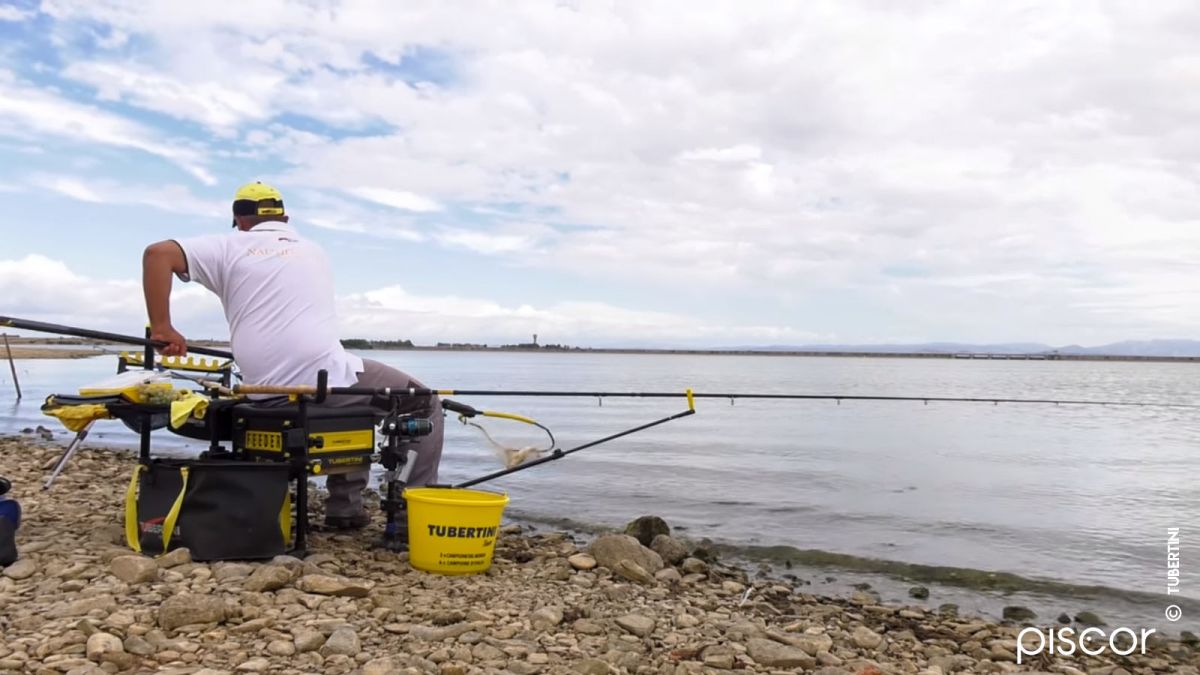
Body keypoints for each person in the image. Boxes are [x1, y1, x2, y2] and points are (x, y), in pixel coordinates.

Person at [141, 180, 443, 529]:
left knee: (352, 392)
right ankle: (404, 515)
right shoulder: (313, 249)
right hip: (324, 379)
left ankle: (347, 511)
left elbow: (157, 254)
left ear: (239, 219)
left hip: (263, 389)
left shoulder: (227, 246)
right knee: (421, 401)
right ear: (285, 217)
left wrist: (162, 328)